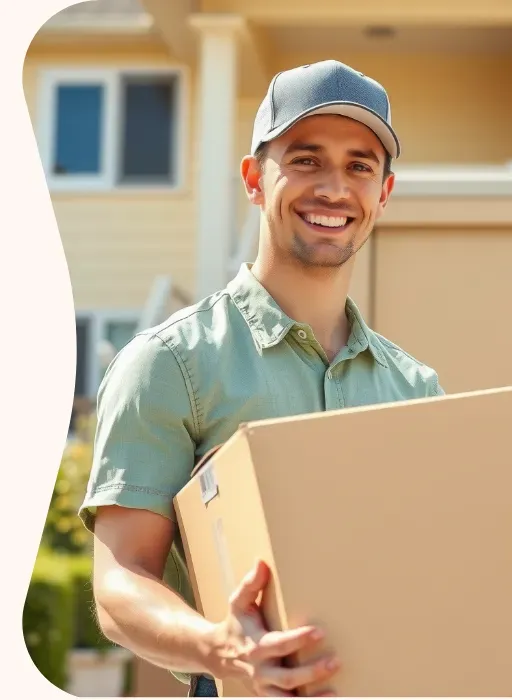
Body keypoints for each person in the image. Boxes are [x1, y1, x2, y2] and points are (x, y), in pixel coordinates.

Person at [79, 59, 444, 698]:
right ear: (254, 178)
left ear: (383, 193)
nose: (335, 188)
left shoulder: (416, 389)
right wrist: (217, 648)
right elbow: (119, 583)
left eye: (360, 165)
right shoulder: (170, 364)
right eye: (305, 160)